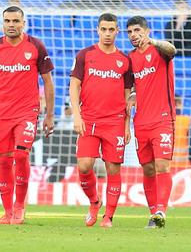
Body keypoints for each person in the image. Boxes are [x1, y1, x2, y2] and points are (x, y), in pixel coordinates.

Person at [0, 6, 55, 225]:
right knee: (4, 161)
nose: (11, 24)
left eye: (15, 21)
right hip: (1, 113)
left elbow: (48, 82)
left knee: (20, 155)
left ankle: (20, 207)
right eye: (7, 21)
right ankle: (7, 211)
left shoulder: (36, 46)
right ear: (3, 23)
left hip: (27, 111)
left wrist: (49, 115)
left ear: (24, 23)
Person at [69, 13, 133, 228]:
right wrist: (76, 116)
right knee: (84, 166)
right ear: (97, 30)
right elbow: (74, 86)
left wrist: (127, 125)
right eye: (103, 29)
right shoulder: (85, 55)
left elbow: (127, 98)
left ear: (117, 31)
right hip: (88, 119)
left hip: (114, 122)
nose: (107, 33)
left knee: (113, 168)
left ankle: (108, 217)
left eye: (111, 29)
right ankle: (94, 201)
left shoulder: (124, 61)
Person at [126, 16, 176, 228]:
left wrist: (152, 41)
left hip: (163, 119)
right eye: (129, 32)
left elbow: (172, 49)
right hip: (141, 122)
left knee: (162, 165)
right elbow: (134, 85)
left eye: (137, 30)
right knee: (147, 169)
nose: (133, 35)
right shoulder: (130, 58)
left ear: (146, 31)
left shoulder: (160, 51)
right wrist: (134, 94)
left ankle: (161, 212)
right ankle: (153, 213)